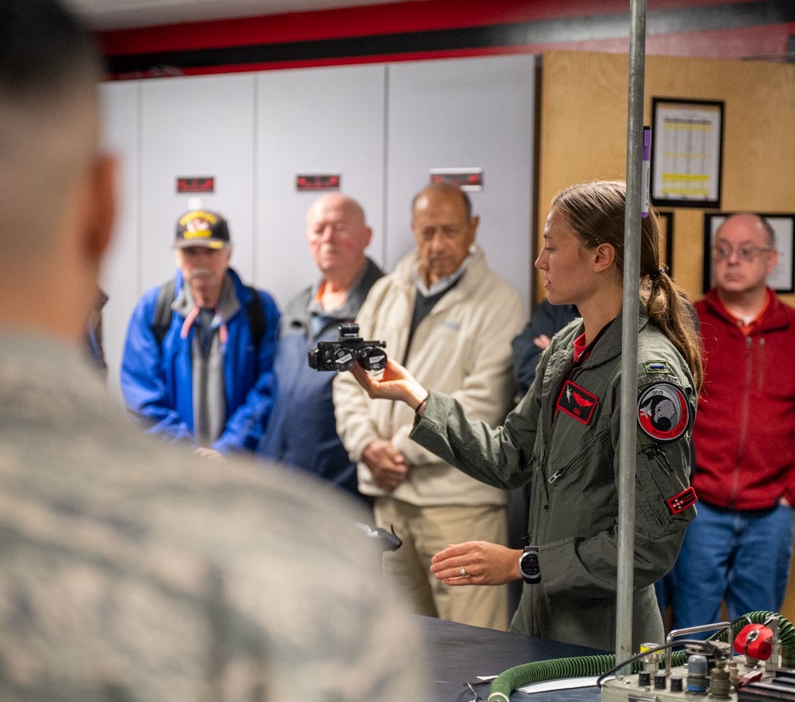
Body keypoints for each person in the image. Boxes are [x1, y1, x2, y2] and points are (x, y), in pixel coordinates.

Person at [0, 0, 428, 699]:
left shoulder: (257, 315)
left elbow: (262, 391)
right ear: (103, 209)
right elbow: (144, 394)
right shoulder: (295, 577)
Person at [347, 180, 704, 651]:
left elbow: (648, 545)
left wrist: (521, 564)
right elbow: (509, 456)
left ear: (602, 257)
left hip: (603, 641)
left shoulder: (646, 373)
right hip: (540, 622)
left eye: (552, 247)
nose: (540, 262)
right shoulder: (568, 345)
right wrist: (417, 397)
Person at [333, 181, 526, 631]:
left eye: (450, 231)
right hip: (391, 504)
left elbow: (485, 402)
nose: (437, 244)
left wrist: (399, 449)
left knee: (474, 648)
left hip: (459, 507)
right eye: (427, 232)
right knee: (407, 645)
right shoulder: (386, 291)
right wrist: (365, 446)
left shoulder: (499, 302)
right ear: (412, 230)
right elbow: (349, 378)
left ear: (473, 228)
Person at [671, 212, 795, 629]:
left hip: (770, 514)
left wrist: (794, 492)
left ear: (771, 260)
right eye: (723, 251)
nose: (732, 260)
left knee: (758, 639)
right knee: (690, 636)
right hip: (699, 509)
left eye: (746, 252)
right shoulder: (687, 323)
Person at [120, 208, 281, 455]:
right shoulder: (154, 309)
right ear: (178, 257)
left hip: (241, 467)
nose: (201, 262)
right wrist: (187, 453)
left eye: (211, 251)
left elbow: (268, 388)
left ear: (229, 254)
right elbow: (141, 392)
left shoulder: (259, 309)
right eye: (190, 252)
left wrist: (228, 450)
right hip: (171, 466)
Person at [258, 193, 383, 501]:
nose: (328, 238)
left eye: (340, 227)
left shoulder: (385, 304)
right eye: (318, 229)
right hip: (282, 485)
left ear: (366, 236)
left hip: (343, 496)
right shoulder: (296, 306)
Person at [511, 301, 578, 399]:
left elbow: (588, 386)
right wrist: (569, 360)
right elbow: (524, 366)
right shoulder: (553, 306)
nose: (546, 285)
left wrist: (554, 354)